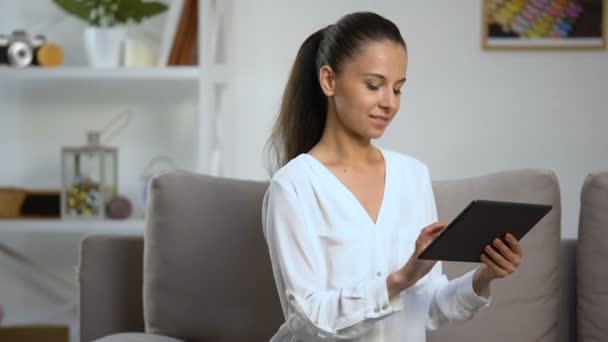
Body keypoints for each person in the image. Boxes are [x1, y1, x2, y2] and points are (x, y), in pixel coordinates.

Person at [262, 12, 523, 342]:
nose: (389, 103)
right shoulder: (295, 186)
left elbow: (425, 310)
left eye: (398, 89)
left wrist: (485, 275)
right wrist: (400, 279)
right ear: (329, 81)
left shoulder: (413, 176)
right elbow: (307, 321)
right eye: (373, 85)